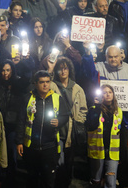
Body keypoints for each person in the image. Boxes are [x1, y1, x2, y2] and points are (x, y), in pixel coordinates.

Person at [16, 70, 69, 188]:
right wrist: (19, 142)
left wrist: (59, 121)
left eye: (47, 82)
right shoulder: (28, 98)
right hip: (31, 146)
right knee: (32, 178)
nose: (45, 85)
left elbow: (66, 115)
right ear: (35, 83)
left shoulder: (57, 98)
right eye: (42, 82)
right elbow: (20, 120)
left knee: (48, 179)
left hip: (49, 146)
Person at [50, 57, 87, 188]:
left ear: (69, 70)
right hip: (57, 128)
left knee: (69, 160)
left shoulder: (77, 89)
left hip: (72, 130)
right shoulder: (52, 86)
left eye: (65, 68)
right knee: (58, 161)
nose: (63, 71)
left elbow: (83, 109)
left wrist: (78, 121)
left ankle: (66, 182)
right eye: (60, 68)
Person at [85, 84, 124, 188]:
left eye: (110, 92)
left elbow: (121, 132)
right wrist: (97, 107)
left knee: (111, 183)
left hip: (112, 152)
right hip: (98, 151)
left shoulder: (118, 111)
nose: (108, 94)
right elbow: (91, 126)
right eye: (105, 92)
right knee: (96, 181)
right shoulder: (93, 109)